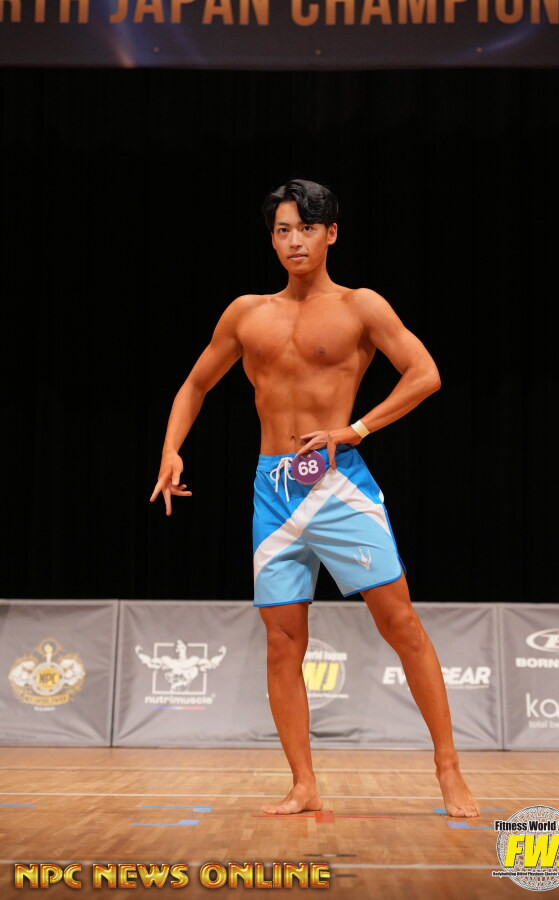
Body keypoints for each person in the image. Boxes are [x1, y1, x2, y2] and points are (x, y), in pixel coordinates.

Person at [150, 179, 480, 818]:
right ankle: (303, 784)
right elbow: (194, 384)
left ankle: (448, 768)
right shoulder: (246, 312)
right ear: (271, 239)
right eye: (282, 230)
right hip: (273, 491)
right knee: (282, 641)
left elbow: (426, 374)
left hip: (337, 483)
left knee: (400, 625)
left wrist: (355, 430)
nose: (294, 241)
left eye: (306, 228)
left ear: (332, 233)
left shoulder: (361, 306)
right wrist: (171, 448)